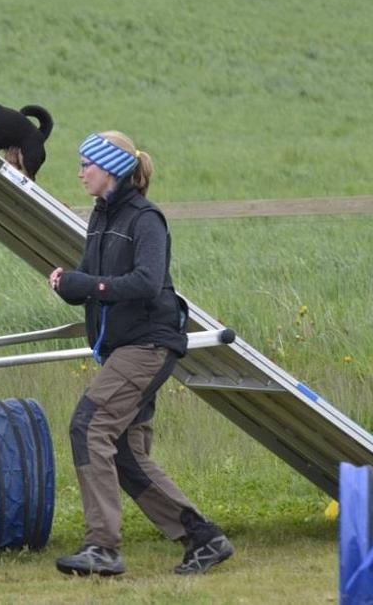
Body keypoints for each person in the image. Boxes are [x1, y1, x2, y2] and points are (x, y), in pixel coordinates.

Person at [49, 131, 234, 577]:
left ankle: (102, 548)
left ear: (108, 167)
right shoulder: (99, 216)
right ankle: (204, 539)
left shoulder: (145, 218)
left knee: (88, 426)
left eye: (84, 165)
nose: (79, 173)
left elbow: (147, 282)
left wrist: (88, 285)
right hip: (122, 347)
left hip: (148, 344)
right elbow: (97, 283)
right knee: (127, 453)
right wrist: (70, 285)